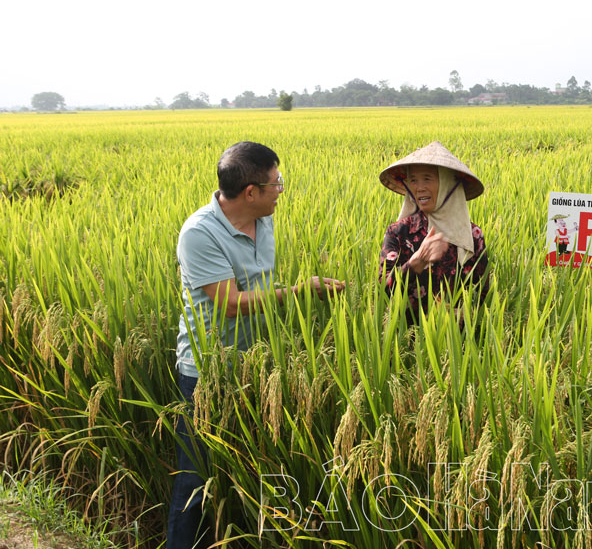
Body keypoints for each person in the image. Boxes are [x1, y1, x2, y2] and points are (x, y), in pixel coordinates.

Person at [168, 141, 343, 549]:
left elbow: (258, 287)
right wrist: (300, 291)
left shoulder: (263, 219)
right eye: (276, 184)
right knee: (194, 477)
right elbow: (230, 304)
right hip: (207, 370)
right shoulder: (199, 232)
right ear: (251, 192)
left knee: (248, 468)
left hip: (255, 364)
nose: (280, 190)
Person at [378, 141, 488, 322]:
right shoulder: (398, 232)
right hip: (406, 341)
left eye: (427, 178)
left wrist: (465, 316)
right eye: (413, 180)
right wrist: (416, 262)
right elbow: (384, 290)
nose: (419, 187)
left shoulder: (473, 235)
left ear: (446, 183)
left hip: (457, 342)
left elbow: (481, 293)